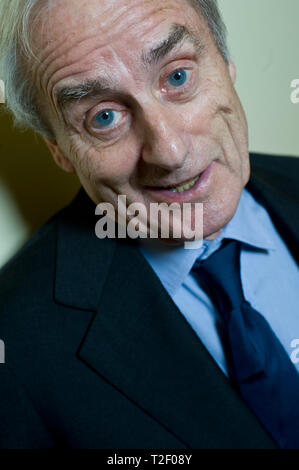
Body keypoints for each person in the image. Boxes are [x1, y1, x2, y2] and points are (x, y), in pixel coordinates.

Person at [0, 0, 298, 449]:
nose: (170, 150)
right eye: (104, 117)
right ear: (59, 149)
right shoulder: (16, 349)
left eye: (177, 76)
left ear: (225, 60)